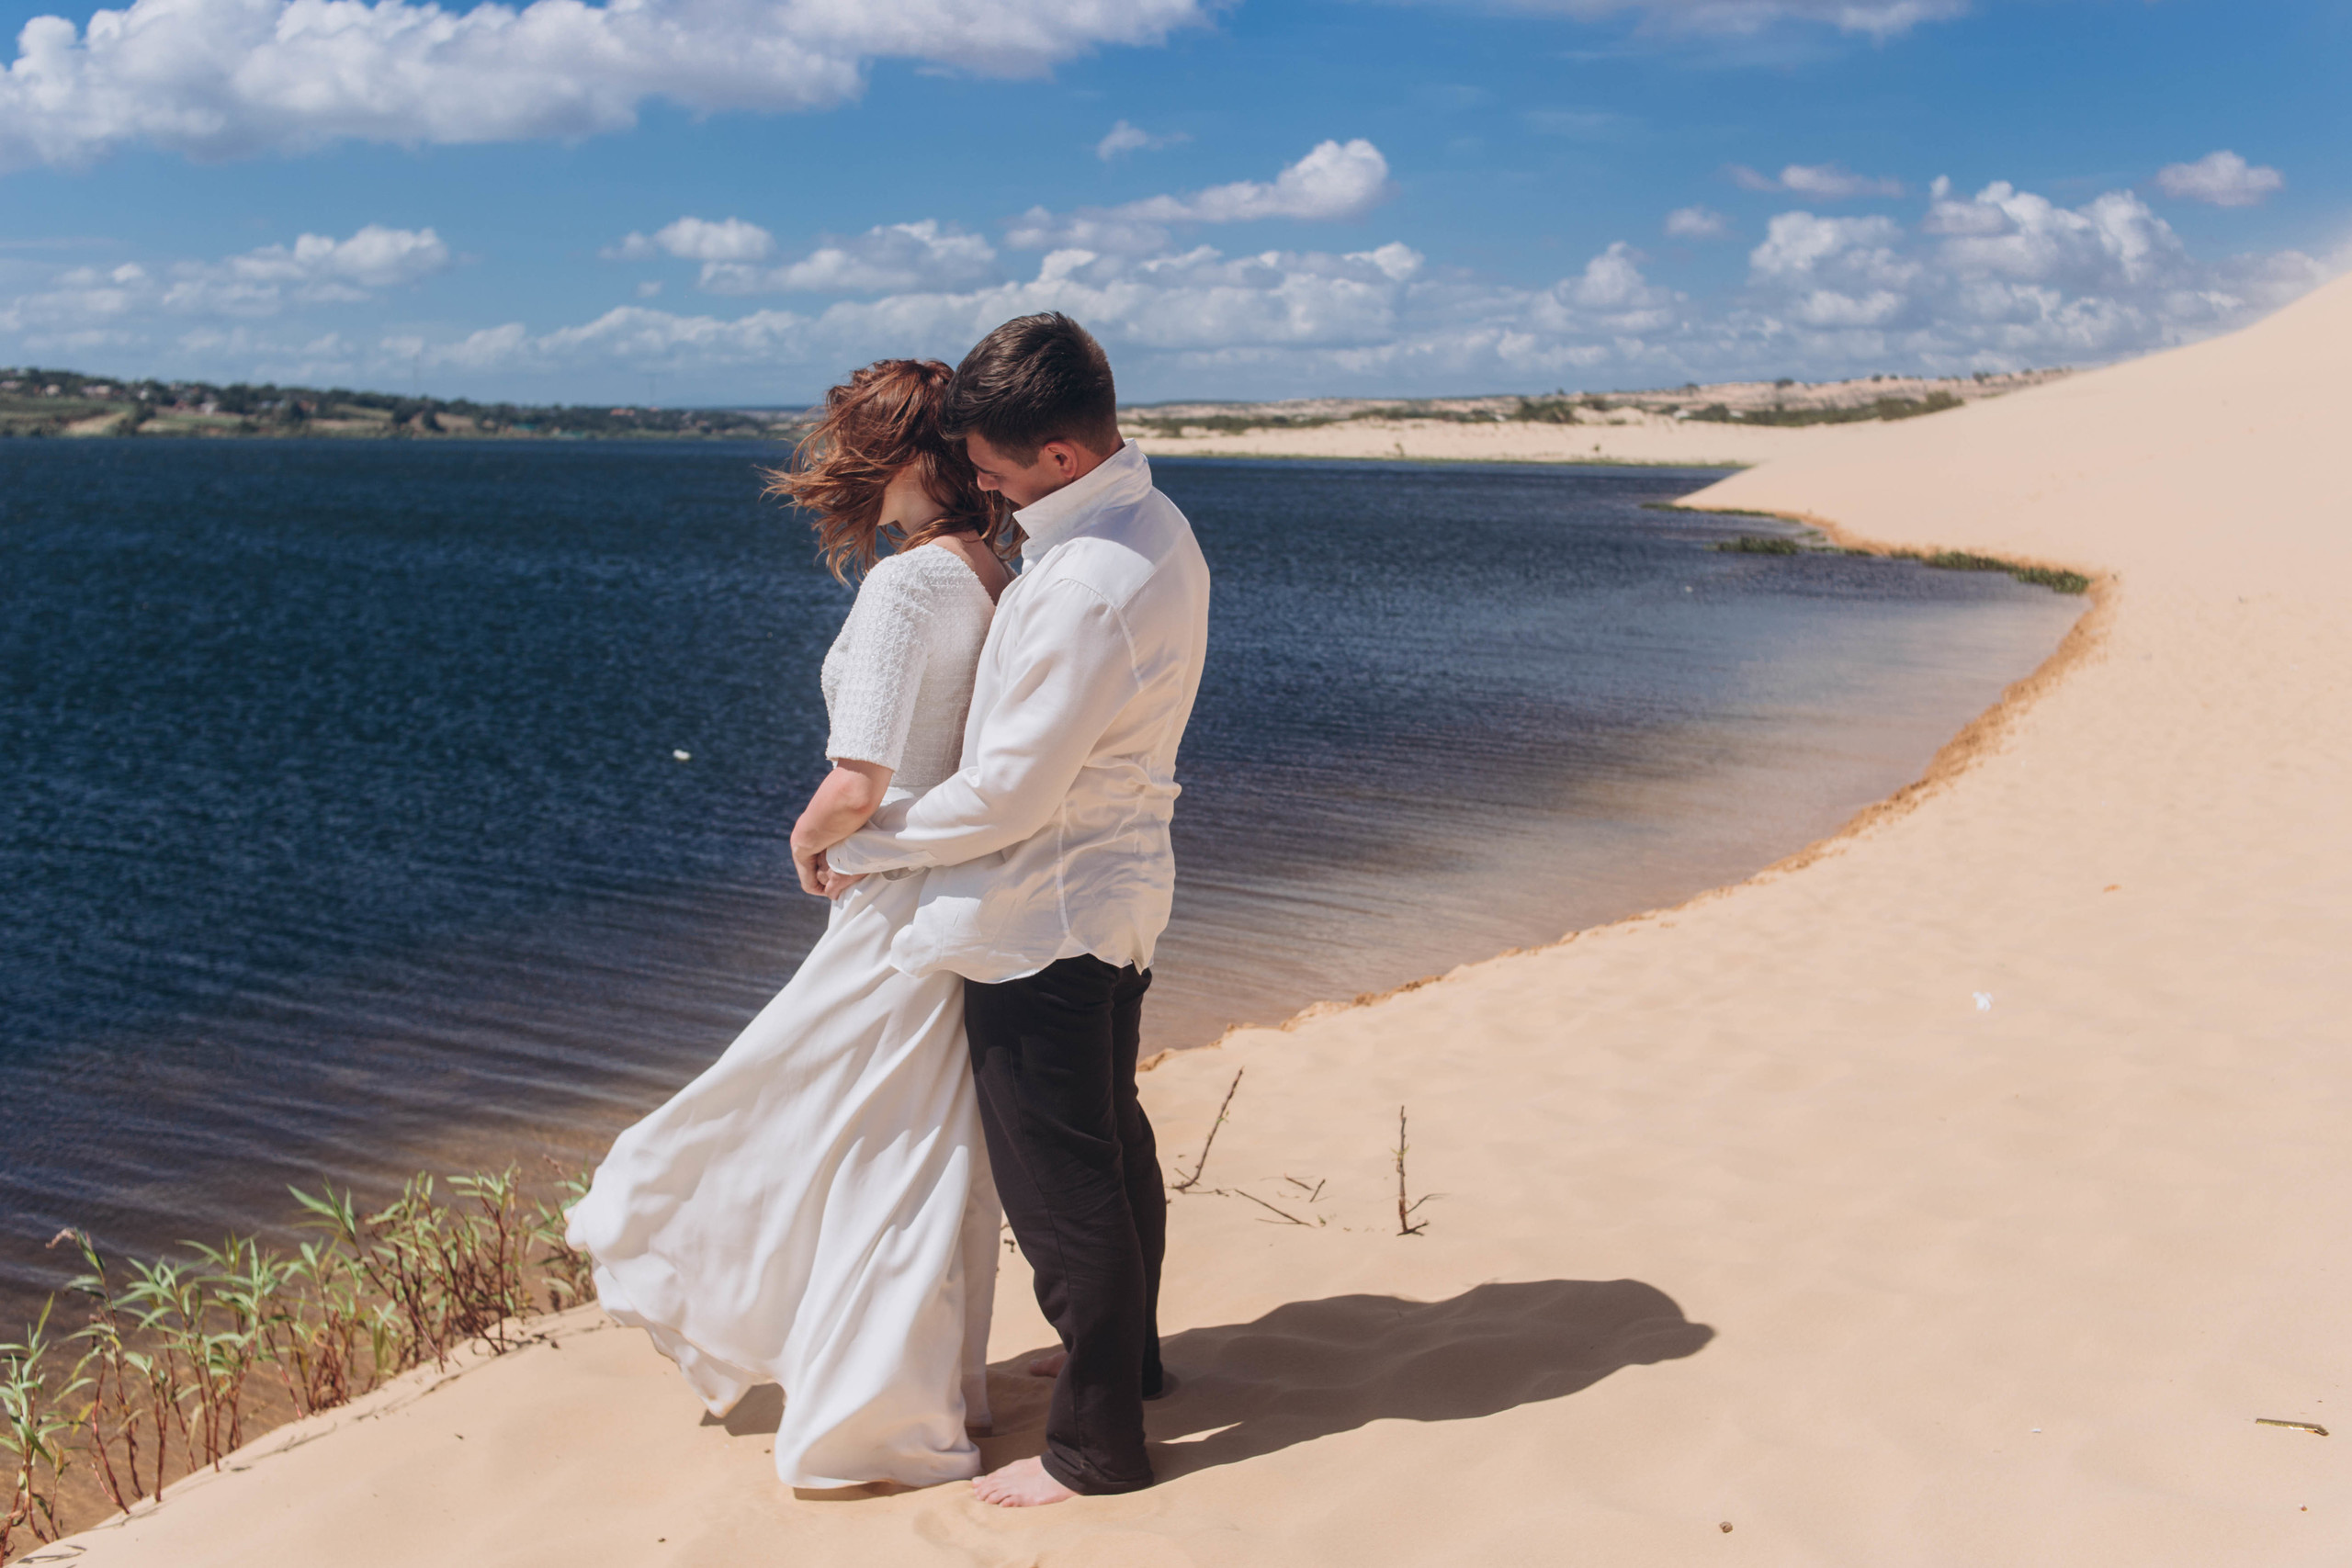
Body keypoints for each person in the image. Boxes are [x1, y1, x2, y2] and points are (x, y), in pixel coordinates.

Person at [566, 358, 1015, 1491]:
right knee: (915, 1154)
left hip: (886, 906)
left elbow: (859, 774)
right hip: (953, 898)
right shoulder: (991, 570)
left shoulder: (908, 585)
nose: (834, 469)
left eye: (853, 444)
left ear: (909, 456)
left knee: (777, 1123)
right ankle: (923, 1394)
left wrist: (807, 839)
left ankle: (872, 1417)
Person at [820, 312, 1213, 1506]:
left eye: (987, 461)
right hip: (1115, 889)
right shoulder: (1148, 523)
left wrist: (870, 842)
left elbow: (1008, 792)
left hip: (1045, 914)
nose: (972, 481)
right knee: (1108, 1136)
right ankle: (1127, 1359)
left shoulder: (1086, 583)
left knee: (1061, 1180)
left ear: (1059, 454)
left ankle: (1094, 1446)